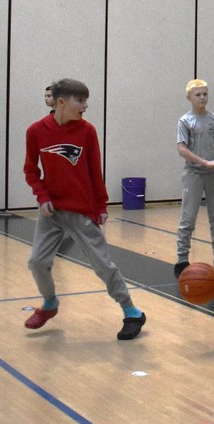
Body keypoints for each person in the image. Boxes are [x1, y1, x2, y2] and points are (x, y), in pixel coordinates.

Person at [23, 78, 146, 340]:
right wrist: (42, 196)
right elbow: (31, 170)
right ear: (61, 102)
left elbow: (94, 170)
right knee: (37, 262)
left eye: (86, 100)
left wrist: (101, 205)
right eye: (80, 100)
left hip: (81, 211)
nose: (86, 106)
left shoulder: (87, 131)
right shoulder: (35, 131)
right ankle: (49, 304)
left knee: (103, 265)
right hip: (51, 212)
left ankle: (132, 312)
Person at [174, 79, 214, 277]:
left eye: (205, 94)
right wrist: (204, 162)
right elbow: (182, 149)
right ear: (189, 97)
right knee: (188, 217)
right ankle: (182, 257)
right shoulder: (185, 121)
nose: (202, 97)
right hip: (194, 173)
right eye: (198, 95)